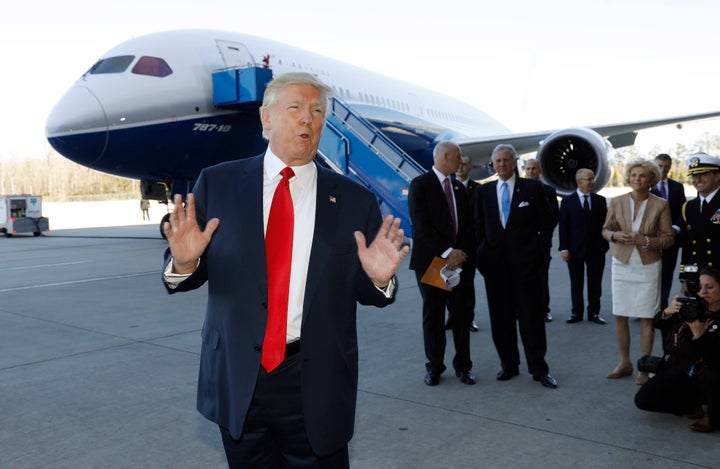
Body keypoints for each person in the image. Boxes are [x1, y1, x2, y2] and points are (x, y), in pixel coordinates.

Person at [161, 72, 409, 468]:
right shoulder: (217, 184)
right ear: (266, 119)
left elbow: (366, 291)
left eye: (316, 111)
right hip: (239, 377)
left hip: (317, 381)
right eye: (295, 108)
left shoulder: (353, 200)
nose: (307, 119)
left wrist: (379, 280)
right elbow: (182, 274)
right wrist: (186, 261)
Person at [474, 144, 558, 389]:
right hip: (496, 269)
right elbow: (478, 226)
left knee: (532, 318)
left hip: (527, 267)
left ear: (514, 163)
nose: (501, 165)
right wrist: (483, 253)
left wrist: (539, 250)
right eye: (497, 161)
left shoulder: (532, 188)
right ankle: (508, 366)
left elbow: (550, 218)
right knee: (501, 320)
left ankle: (539, 369)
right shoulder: (484, 192)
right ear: (493, 164)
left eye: (506, 160)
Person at [408, 142, 477, 386]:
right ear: (446, 157)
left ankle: (464, 367)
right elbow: (420, 224)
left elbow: (469, 225)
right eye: (458, 157)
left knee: (461, 315)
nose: (461, 161)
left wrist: (461, 253)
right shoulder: (420, 185)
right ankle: (434, 366)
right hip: (434, 262)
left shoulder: (458, 187)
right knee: (434, 316)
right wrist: (448, 252)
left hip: (459, 262)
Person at [602, 159, 674, 385]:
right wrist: (615, 236)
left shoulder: (661, 204)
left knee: (646, 317)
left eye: (642, 176)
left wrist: (645, 241)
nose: (636, 179)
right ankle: (624, 362)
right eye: (633, 175)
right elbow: (605, 229)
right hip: (622, 264)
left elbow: (668, 238)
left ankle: (644, 367)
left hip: (648, 266)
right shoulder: (617, 201)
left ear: (651, 179)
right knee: (620, 314)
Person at [634, 267, 720, 433]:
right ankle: (691, 405)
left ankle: (713, 416)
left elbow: (715, 358)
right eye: (700, 287)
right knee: (643, 399)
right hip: (684, 369)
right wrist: (667, 312)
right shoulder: (691, 306)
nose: (703, 292)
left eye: (710, 287)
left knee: (713, 376)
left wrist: (701, 336)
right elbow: (658, 324)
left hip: (711, 373)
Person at [559, 168, 609, 325]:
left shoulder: (600, 201)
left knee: (595, 283)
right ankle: (576, 312)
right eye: (589, 179)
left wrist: (604, 245)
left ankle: (594, 313)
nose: (592, 181)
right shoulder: (567, 201)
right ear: (579, 181)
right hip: (575, 250)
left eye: (592, 178)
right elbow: (563, 227)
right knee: (576, 282)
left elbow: (605, 225)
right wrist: (564, 248)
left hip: (596, 250)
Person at [445, 155, 479, 332]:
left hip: (469, 249)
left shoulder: (478, 190)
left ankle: (469, 319)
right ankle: (452, 318)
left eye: (464, 165)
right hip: (450, 250)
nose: (460, 168)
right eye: (458, 165)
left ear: (470, 168)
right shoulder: (446, 188)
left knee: (467, 286)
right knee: (450, 285)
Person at [524, 158, 559, 322]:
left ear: (540, 171)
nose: (531, 172)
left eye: (534, 169)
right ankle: (523, 310)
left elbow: (553, 218)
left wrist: (542, 235)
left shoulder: (549, 191)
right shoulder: (518, 189)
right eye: (528, 169)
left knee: (542, 277)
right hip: (522, 244)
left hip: (542, 244)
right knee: (522, 278)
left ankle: (544, 309)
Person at [650, 153, 686, 311]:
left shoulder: (677, 187)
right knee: (651, 276)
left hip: (672, 239)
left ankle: (662, 307)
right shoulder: (646, 186)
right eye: (659, 166)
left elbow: (683, 212)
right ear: (654, 166)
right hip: (651, 241)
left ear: (670, 167)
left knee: (666, 275)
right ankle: (648, 307)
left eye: (666, 166)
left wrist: (675, 229)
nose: (663, 169)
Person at [679, 153, 720, 282]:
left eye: (703, 174)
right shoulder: (688, 207)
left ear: (717, 176)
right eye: (694, 176)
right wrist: (685, 277)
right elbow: (688, 247)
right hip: (696, 277)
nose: (698, 180)